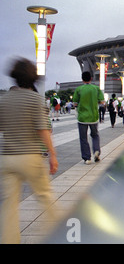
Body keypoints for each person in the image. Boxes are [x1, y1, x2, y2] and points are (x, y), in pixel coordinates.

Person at [0, 57, 58, 244]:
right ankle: (58, 233)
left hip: (8, 159)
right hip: (30, 158)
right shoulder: (35, 99)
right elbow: (43, 130)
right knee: (45, 196)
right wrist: (52, 155)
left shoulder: (4, 99)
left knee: (9, 205)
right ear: (33, 78)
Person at [73, 71, 105, 165]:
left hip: (82, 117)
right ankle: (96, 150)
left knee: (83, 138)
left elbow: (75, 103)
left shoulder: (79, 89)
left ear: (82, 79)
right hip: (93, 116)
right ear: (91, 78)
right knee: (95, 135)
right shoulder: (96, 88)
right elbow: (102, 102)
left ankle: (87, 158)